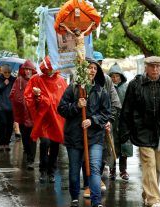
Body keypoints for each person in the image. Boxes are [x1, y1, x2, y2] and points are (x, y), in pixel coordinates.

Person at [120, 56, 160, 207]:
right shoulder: (136, 84)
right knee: (149, 164)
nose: (155, 69)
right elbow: (127, 109)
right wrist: (124, 132)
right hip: (142, 131)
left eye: (158, 66)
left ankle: (147, 194)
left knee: (156, 167)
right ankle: (154, 199)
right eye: (152, 66)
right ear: (146, 67)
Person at [58, 59, 111, 207]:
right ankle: (74, 197)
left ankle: (96, 201)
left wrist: (92, 120)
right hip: (74, 137)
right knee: (74, 169)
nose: (92, 70)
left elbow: (106, 113)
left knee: (94, 168)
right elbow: (61, 108)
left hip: (94, 137)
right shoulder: (73, 89)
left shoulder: (101, 91)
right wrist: (76, 105)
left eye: (95, 68)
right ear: (82, 71)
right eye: (89, 68)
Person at [82, 52, 121, 198]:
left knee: (102, 155)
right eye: (91, 65)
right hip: (85, 125)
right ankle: (87, 185)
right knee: (85, 156)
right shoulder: (80, 79)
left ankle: (96, 180)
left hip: (102, 125)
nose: (94, 69)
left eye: (98, 64)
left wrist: (109, 120)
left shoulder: (107, 80)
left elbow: (115, 104)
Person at [24, 56, 67, 183]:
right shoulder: (36, 79)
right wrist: (36, 96)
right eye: (48, 68)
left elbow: (64, 98)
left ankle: (52, 171)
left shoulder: (60, 80)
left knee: (55, 144)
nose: (50, 71)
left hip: (57, 119)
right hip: (44, 119)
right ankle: (43, 170)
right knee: (45, 142)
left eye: (52, 68)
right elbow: (28, 99)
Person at [9, 60, 37, 170]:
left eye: (29, 69)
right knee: (25, 137)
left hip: (33, 114)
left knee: (33, 137)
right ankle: (27, 152)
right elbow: (12, 95)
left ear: (32, 70)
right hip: (21, 114)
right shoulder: (19, 80)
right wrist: (19, 100)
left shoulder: (36, 80)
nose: (27, 71)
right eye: (26, 69)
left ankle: (31, 160)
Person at [108, 62, 132, 180]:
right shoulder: (107, 87)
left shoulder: (126, 87)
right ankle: (112, 170)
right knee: (111, 146)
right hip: (112, 121)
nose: (115, 78)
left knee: (124, 147)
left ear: (121, 76)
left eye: (117, 76)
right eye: (112, 76)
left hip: (124, 121)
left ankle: (123, 170)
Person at [0, 64, 16, 151]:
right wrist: (3, 84)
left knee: (10, 125)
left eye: (9, 73)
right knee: (3, 123)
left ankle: (6, 142)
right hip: (0, 107)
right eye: (5, 72)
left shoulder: (14, 79)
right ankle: (1, 143)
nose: (7, 74)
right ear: (2, 71)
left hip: (11, 106)